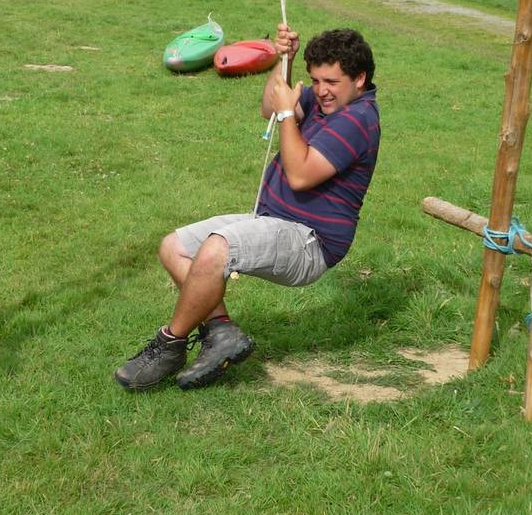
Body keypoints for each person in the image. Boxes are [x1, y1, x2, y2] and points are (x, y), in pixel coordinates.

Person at [114, 25, 380, 392]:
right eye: (315, 80)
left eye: (331, 81)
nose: (321, 90)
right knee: (174, 246)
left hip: (310, 242)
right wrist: (282, 60)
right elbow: (270, 107)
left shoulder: (357, 119)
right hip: (275, 220)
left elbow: (301, 175)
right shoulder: (327, 102)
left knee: (216, 249)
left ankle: (169, 344)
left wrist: (290, 116)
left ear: (360, 78)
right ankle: (222, 333)